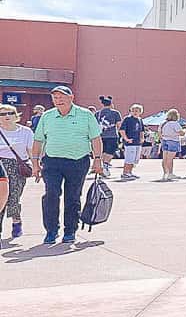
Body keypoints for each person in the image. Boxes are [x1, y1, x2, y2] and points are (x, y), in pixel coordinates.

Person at [28, 84, 103, 247]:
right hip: (52, 161)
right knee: (51, 194)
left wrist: (98, 159)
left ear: (71, 98)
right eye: (55, 97)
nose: (58, 100)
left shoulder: (86, 115)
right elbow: (38, 140)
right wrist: (34, 163)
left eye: (62, 97)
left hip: (78, 161)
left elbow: (96, 139)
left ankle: (70, 231)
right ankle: (51, 231)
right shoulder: (47, 116)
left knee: (73, 197)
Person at [0, 104, 35, 240]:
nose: (7, 116)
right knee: (1, 198)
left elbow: (31, 151)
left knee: (14, 196)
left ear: (16, 116)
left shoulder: (25, 132)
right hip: (1, 165)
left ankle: (16, 220)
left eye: (10, 113)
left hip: (18, 167)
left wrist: (36, 166)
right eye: (3, 114)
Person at [94, 95, 121, 178]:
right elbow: (119, 125)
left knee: (103, 151)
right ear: (111, 103)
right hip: (112, 135)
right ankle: (105, 165)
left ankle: (102, 166)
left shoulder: (97, 113)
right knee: (110, 152)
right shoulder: (115, 113)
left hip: (100, 135)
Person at [119, 104, 145, 182]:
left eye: (136, 111)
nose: (134, 112)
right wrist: (126, 139)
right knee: (129, 159)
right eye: (133, 111)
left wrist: (142, 138)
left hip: (137, 143)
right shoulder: (127, 119)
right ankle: (125, 173)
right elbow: (122, 130)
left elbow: (141, 130)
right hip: (130, 143)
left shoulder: (140, 120)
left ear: (140, 112)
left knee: (135, 159)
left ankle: (130, 172)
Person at [158, 109, 185, 181]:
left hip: (164, 140)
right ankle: (170, 174)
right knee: (170, 159)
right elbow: (181, 133)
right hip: (173, 141)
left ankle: (165, 173)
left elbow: (159, 132)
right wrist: (184, 130)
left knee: (165, 159)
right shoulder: (175, 123)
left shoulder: (163, 123)